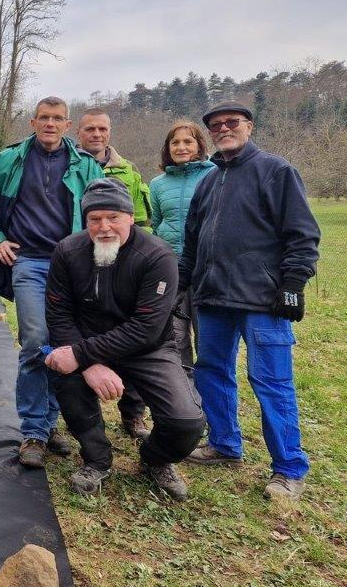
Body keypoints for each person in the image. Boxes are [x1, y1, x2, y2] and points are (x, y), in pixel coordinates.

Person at [180, 101, 321, 501]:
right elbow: (192, 241)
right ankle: (225, 444)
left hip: (263, 300)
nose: (224, 129)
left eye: (232, 123)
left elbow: (302, 234)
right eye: (216, 125)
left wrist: (293, 283)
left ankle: (289, 468)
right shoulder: (208, 181)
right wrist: (183, 283)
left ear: (249, 126)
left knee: (271, 381)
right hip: (212, 299)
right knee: (211, 371)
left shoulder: (276, 171)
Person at [44, 178, 206, 501]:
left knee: (187, 422)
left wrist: (82, 354)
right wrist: (86, 362)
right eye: (94, 219)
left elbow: (145, 328)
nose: (104, 227)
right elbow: (59, 315)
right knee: (61, 368)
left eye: (113, 217)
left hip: (148, 349)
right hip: (87, 341)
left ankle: (155, 458)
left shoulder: (157, 257)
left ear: (131, 217)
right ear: (85, 220)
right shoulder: (67, 252)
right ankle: (97, 459)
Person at [0, 96, 103, 468]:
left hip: (72, 266)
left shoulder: (86, 167)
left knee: (64, 343)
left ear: (67, 125)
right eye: (44, 117)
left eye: (57, 118)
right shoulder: (9, 159)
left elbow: (106, 207)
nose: (50, 123)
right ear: (32, 122)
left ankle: (50, 422)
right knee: (34, 341)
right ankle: (32, 430)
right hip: (28, 262)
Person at [76, 107, 153, 440]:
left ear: (109, 132)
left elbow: (142, 219)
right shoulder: (67, 164)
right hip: (79, 260)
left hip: (122, 265)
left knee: (131, 333)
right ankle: (84, 414)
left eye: (102, 129)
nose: (96, 134)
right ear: (78, 132)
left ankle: (134, 414)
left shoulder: (128, 171)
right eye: (90, 129)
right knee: (79, 330)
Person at [149, 121, 215, 375]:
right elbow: (157, 223)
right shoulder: (158, 183)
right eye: (175, 142)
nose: (181, 147)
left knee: (207, 338)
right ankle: (185, 400)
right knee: (175, 338)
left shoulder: (214, 175)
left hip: (206, 270)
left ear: (199, 145)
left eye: (188, 141)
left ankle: (209, 401)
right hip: (171, 269)